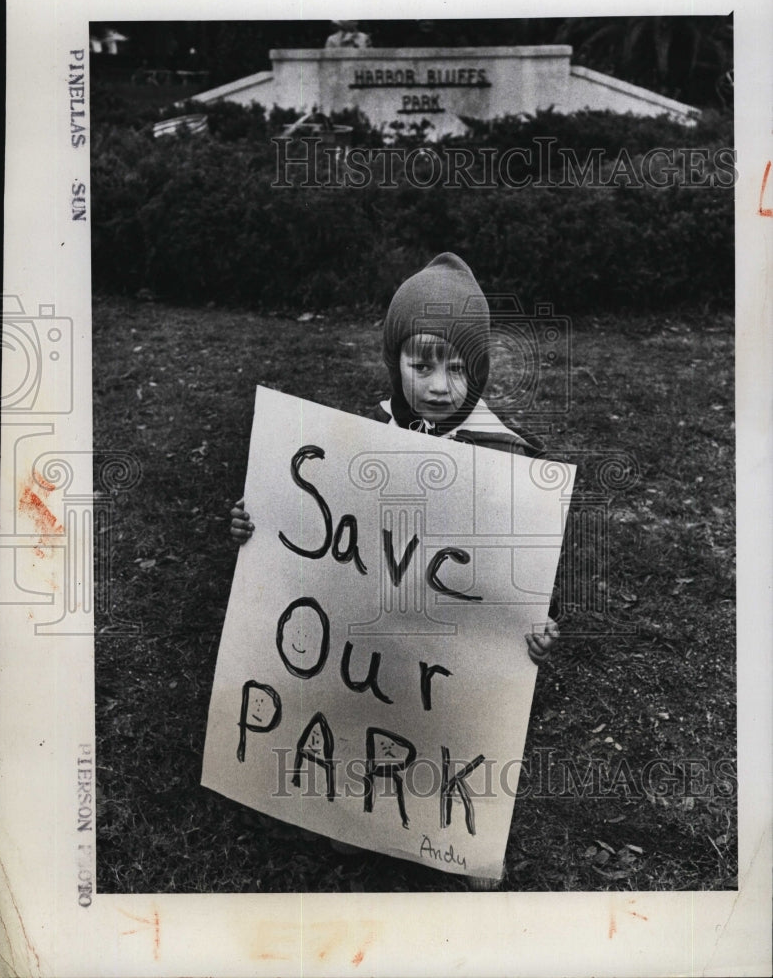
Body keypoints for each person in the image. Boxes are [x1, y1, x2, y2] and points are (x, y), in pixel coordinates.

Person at [230, 252, 560, 888]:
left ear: (481, 371)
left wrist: (542, 624)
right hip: (375, 645)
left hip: (456, 655)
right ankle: (355, 809)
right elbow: (312, 532)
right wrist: (255, 524)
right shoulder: (359, 438)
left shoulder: (510, 461)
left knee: (451, 726)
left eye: (458, 369)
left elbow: (533, 576)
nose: (439, 385)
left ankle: (459, 832)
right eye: (421, 365)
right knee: (367, 708)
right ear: (393, 362)